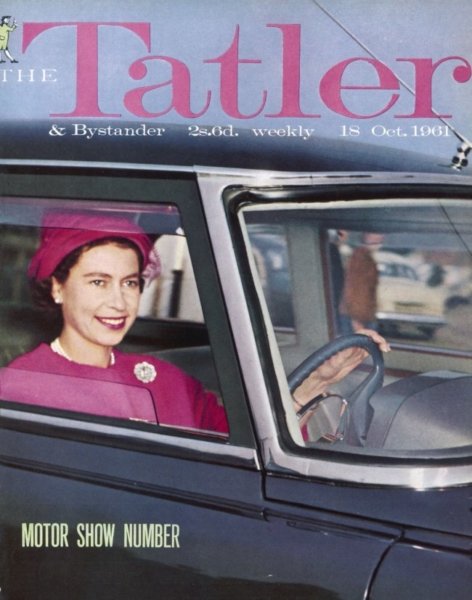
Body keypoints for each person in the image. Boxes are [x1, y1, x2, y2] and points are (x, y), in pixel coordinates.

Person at [0, 211, 389, 435]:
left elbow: (248, 442)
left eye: (129, 283)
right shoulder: (19, 386)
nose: (118, 302)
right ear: (57, 287)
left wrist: (316, 383)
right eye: (98, 282)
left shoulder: (165, 379)